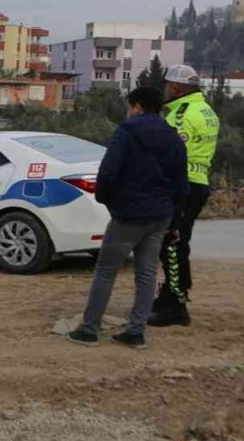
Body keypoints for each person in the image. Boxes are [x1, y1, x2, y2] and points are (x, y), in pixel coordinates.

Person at [68, 86, 188, 349]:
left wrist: (106, 199)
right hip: (160, 216)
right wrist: (175, 222)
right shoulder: (173, 137)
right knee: (146, 274)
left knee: (105, 271)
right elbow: (181, 184)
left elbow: (108, 173)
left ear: (137, 106)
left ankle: (88, 329)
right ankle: (136, 332)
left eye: (129, 107)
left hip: (129, 215)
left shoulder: (127, 132)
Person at [149, 64, 219, 327]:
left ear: (176, 88)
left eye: (167, 85)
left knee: (172, 243)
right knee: (180, 241)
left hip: (181, 185)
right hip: (198, 182)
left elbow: (170, 154)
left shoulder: (180, 115)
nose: (165, 90)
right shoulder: (207, 110)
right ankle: (173, 295)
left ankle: (175, 304)